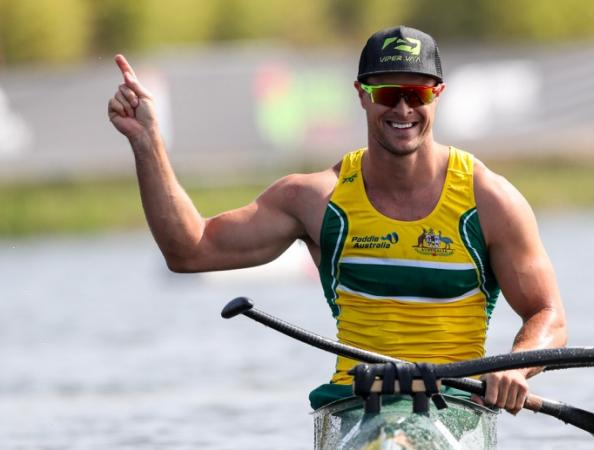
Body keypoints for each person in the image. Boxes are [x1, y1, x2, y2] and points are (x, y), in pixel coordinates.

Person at [107, 25, 567, 415]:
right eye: (387, 93)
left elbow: (549, 314)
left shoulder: (489, 200)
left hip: (456, 407)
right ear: (362, 96)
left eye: (416, 93)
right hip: (354, 408)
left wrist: (514, 366)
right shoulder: (315, 200)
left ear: (437, 95)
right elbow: (189, 250)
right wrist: (147, 141)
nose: (403, 109)